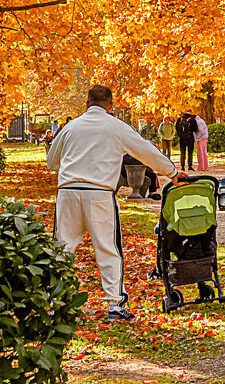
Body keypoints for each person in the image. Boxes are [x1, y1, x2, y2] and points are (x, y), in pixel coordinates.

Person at [46, 85, 185, 321]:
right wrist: (171, 172)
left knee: (62, 247)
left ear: (86, 104)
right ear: (111, 106)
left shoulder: (70, 127)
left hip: (68, 191)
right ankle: (114, 305)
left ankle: (54, 303)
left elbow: (52, 162)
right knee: (108, 248)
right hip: (99, 192)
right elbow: (146, 151)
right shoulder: (116, 127)